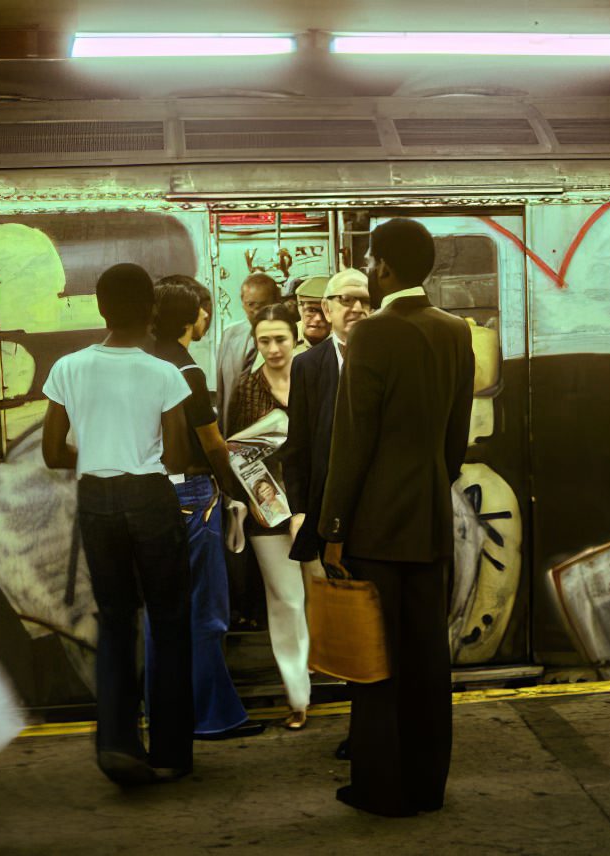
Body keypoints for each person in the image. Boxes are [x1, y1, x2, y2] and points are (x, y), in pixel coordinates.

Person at [320, 218, 475, 817]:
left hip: (377, 527)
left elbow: (352, 441)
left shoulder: (373, 335)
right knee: (429, 663)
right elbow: (456, 439)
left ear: (382, 266)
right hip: (431, 519)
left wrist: (334, 526)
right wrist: (433, 484)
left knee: (376, 663)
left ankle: (382, 788)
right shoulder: (454, 331)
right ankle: (427, 784)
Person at [40, 263, 194, 785]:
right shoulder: (164, 374)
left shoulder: (68, 368)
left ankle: (117, 744)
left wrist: (96, 452)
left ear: (101, 308)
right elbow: (176, 457)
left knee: (115, 620)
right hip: (150, 496)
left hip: (95, 498)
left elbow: (50, 452)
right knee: (169, 622)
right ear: (151, 309)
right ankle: (171, 752)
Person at [146, 276, 264, 741]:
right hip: (193, 498)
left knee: (161, 614)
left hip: (152, 494)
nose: (207, 318)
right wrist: (239, 484)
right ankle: (213, 715)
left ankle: (166, 715)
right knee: (206, 612)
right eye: (203, 310)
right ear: (191, 315)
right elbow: (212, 444)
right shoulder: (186, 371)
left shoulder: (144, 362)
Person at [226, 303, 312, 730]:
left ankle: (343, 673)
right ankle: (298, 695)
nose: (274, 349)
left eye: (281, 339)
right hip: (266, 511)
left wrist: (304, 508)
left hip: (316, 507)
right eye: (265, 341)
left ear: (295, 336)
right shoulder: (246, 387)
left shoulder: (318, 377)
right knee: (286, 602)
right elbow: (236, 453)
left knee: (327, 599)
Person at [285, 268, 372, 569]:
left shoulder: (389, 358)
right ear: (327, 308)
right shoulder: (307, 365)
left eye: (366, 301)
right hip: (325, 508)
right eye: (347, 299)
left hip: (377, 509)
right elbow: (298, 442)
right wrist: (299, 510)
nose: (358, 309)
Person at [216, 273, 282, 432]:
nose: (256, 311)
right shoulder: (230, 335)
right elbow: (222, 390)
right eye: (251, 304)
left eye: (262, 305)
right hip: (235, 430)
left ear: (276, 302)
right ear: (243, 303)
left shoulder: (289, 336)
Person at [294, 274, 332, 349]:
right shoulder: (284, 337)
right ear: (300, 309)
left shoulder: (344, 342)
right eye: (311, 310)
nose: (318, 318)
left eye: (325, 311)